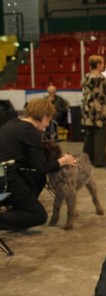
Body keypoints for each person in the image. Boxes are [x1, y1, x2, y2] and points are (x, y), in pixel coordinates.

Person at [0, 99, 77, 231]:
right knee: (39, 216)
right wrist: (64, 160)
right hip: (5, 179)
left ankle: (17, 208)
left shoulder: (12, 123)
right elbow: (42, 167)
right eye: (49, 120)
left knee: (38, 178)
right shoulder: (31, 132)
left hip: (5, 171)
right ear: (44, 116)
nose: (47, 125)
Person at [81, 55, 106, 168]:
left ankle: (86, 160)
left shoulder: (87, 76)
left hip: (87, 109)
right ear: (98, 65)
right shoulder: (100, 78)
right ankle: (99, 160)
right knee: (99, 135)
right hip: (98, 111)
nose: (103, 65)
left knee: (89, 136)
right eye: (102, 63)